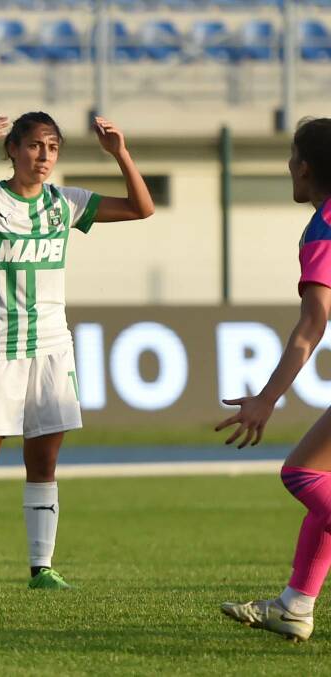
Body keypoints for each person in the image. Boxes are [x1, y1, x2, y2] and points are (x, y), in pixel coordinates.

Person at [0, 112, 154, 591]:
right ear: (13, 149)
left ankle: (42, 568)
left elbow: (142, 209)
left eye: (52, 147)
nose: (44, 156)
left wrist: (120, 153)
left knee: (44, 463)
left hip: (53, 349)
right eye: (34, 145)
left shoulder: (64, 204)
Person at [217, 117, 331, 643]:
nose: (288, 166)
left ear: (305, 167)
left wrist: (266, 399)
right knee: (320, 474)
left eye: (291, 156)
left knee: (301, 474)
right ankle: (295, 605)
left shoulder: (323, 229)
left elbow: (312, 326)